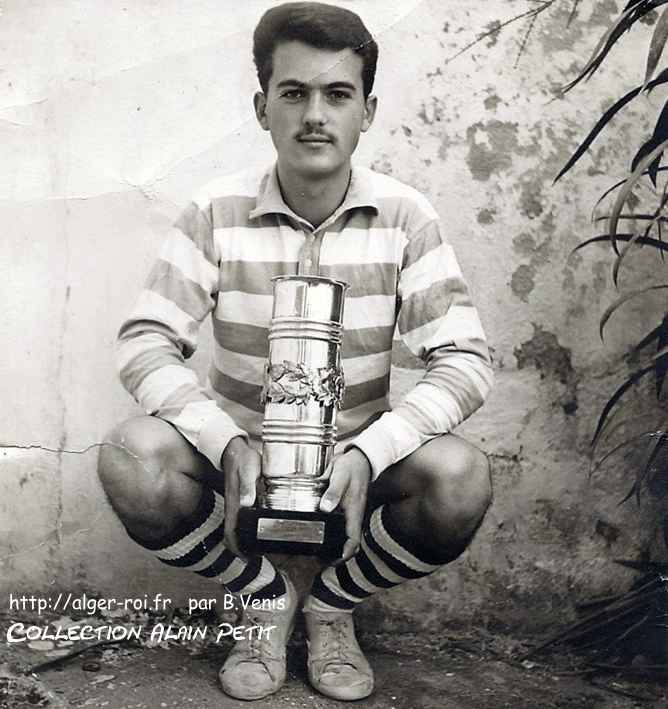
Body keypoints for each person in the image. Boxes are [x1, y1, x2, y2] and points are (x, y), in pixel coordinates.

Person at [98, 1, 494, 702]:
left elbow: (465, 358)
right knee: (131, 455)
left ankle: (333, 605)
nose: (316, 114)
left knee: (461, 477)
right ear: (262, 107)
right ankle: (262, 596)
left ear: (366, 110)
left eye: (337, 94)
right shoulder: (215, 211)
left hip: (353, 461)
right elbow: (144, 342)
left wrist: (370, 452)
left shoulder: (405, 216)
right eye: (295, 93)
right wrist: (224, 442)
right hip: (243, 458)